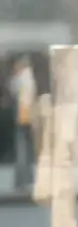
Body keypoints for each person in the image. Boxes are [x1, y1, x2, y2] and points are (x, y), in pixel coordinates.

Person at [9, 57, 36, 191]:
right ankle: (26, 179)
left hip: (23, 119)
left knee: (22, 150)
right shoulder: (28, 78)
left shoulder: (22, 78)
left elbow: (14, 91)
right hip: (26, 118)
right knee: (26, 151)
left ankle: (22, 180)